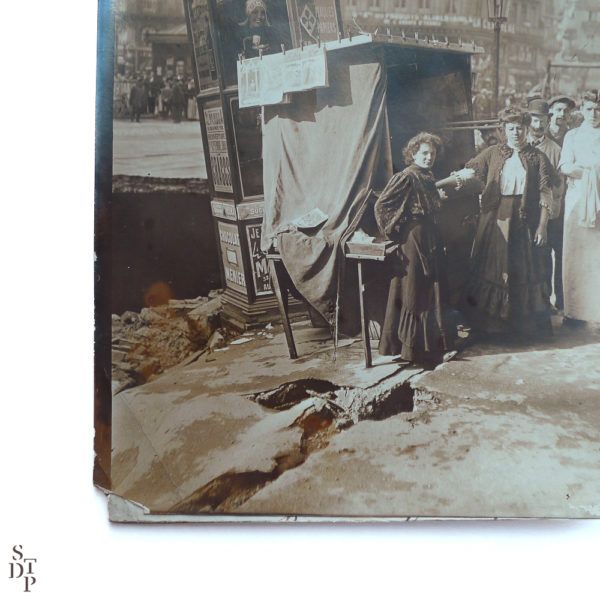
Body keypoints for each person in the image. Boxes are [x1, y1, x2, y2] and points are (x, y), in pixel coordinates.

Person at [457, 108, 555, 340]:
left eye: (519, 128)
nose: (515, 133)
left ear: (526, 129)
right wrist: (453, 180)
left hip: (525, 220)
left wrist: (542, 226)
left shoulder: (538, 157)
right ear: (503, 130)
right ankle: (492, 329)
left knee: (522, 270)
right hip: (495, 218)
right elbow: (471, 171)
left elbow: (546, 194)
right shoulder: (492, 153)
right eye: (510, 128)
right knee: (495, 267)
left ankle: (522, 330)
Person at [374, 132, 456, 367]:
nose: (429, 157)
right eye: (424, 153)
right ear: (413, 154)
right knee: (414, 289)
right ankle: (411, 350)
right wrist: (396, 231)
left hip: (430, 234)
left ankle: (435, 346)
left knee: (432, 289)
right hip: (414, 237)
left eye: (432, 153)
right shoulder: (406, 176)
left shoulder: (427, 175)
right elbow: (382, 206)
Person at [558, 89, 600, 325]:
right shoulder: (572, 136)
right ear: (582, 110)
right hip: (577, 200)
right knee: (575, 255)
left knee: (597, 256)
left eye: (598, 110)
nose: (593, 114)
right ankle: (574, 312)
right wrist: (589, 170)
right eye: (589, 109)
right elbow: (565, 165)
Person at [527, 98, 565, 311]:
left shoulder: (554, 150)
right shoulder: (520, 144)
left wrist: (550, 210)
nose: (538, 125)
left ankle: (544, 302)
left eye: (542, 120)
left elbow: (559, 187)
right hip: (524, 210)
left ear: (547, 121)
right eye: (534, 119)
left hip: (547, 212)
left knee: (543, 258)